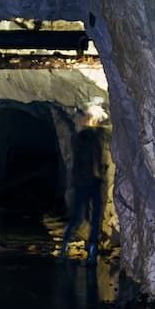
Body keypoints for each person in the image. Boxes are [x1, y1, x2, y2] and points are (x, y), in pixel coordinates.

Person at [61, 104, 108, 262]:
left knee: (78, 216)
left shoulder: (83, 138)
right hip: (91, 183)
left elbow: (78, 164)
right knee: (91, 218)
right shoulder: (94, 138)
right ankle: (90, 253)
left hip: (85, 183)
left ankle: (65, 249)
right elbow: (93, 162)